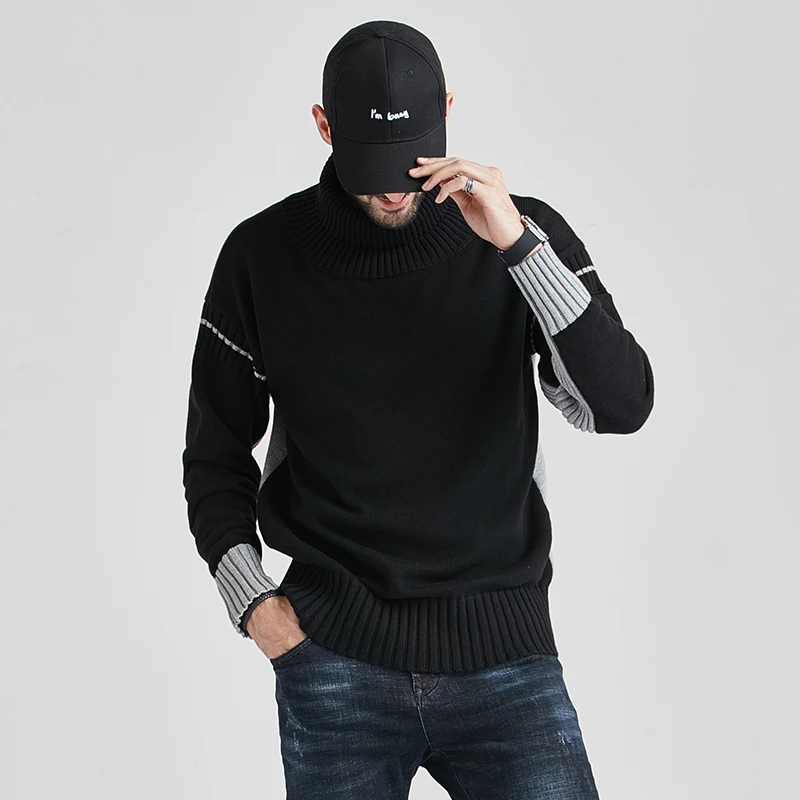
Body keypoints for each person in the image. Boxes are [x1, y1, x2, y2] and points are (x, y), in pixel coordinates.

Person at [181, 18, 654, 800]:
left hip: (505, 654)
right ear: (323, 126)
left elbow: (621, 404)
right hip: (332, 659)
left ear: (448, 112)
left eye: (408, 159)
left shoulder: (523, 237)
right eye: (369, 162)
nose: (393, 187)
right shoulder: (260, 256)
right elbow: (215, 453)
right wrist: (254, 605)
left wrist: (517, 246)